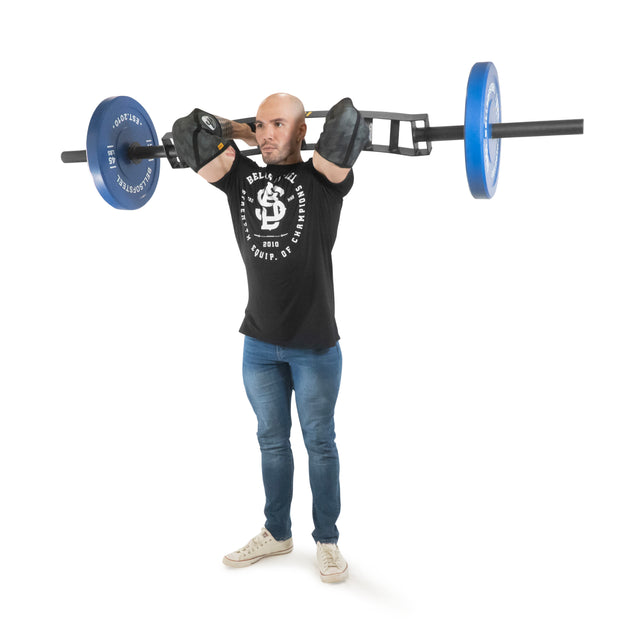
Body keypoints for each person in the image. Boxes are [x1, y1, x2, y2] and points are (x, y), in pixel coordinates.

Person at [172, 93, 369, 583]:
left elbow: (347, 122)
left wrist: (280, 130)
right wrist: (245, 132)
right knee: (271, 442)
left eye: (277, 125)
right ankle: (277, 531)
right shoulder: (241, 177)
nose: (265, 134)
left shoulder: (324, 181)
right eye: (259, 125)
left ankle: (327, 541)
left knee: (320, 444)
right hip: (258, 343)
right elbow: (186, 132)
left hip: (315, 344)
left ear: (303, 131)